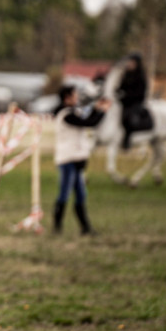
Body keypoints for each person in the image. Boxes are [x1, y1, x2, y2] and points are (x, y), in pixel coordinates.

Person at [53, 85, 111, 235]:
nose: (77, 98)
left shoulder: (73, 113)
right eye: (74, 95)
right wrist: (103, 111)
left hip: (77, 159)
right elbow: (89, 123)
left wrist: (97, 109)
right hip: (67, 159)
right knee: (64, 194)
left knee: (80, 195)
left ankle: (85, 228)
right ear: (67, 98)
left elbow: (87, 118)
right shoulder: (65, 115)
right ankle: (57, 227)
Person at [117, 52, 148, 150]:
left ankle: (127, 140)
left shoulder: (141, 77)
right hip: (124, 102)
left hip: (135, 102)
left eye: (132, 62)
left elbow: (140, 93)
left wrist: (127, 96)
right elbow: (121, 87)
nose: (129, 64)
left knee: (130, 119)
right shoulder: (126, 74)